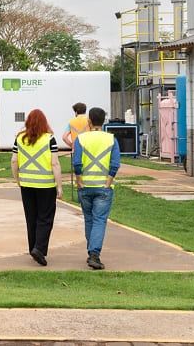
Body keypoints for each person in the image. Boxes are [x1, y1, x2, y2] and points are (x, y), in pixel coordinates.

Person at [10, 109, 63, 267]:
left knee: (31, 217)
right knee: (45, 217)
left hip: (26, 184)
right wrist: (59, 185)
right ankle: (39, 248)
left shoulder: (19, 139)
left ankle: (33, 247)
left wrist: (17, 180)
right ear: (44, 123)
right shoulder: (49, 139)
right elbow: (55, 163)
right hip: (46, 185)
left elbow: (14, 161)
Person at [72, 107, 121, 271]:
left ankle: (91, 252)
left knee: (89, 219)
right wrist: (108, 182)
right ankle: (94, 254)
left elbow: (77, 163)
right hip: (103, 187)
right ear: (104, 121)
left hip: (85, 186)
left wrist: (79, 181)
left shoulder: (81, 139)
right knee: (99, 220)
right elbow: (115, 164)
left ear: (89, 121)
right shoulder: (111, 139)